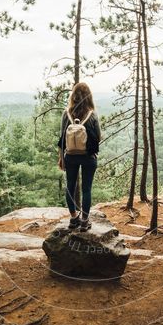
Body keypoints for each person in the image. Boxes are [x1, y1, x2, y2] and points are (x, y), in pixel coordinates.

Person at [58, 82, 102, 231]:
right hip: (89, 156)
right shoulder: (92, 113)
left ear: (73, 95)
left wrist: (61, 158)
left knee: (70, 187)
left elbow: (62, 139)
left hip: (70, 156)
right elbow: (99, 136)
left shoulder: (67, 113)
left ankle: (73, 218)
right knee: (86, 189)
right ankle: (84, 221)